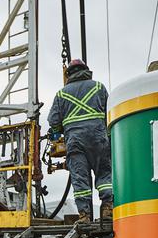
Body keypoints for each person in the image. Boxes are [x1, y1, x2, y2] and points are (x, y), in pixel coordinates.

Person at [47, 59, 113, 223]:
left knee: (80, 178)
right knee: (104, 174)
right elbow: (110, 111)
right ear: (86, 70)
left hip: (75, 142)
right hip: (99, 139)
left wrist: (56, 133)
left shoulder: (61, 94)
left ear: (68, 74)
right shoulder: (98, 87)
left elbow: (54, 121)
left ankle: (84, 215)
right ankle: (107, 209)